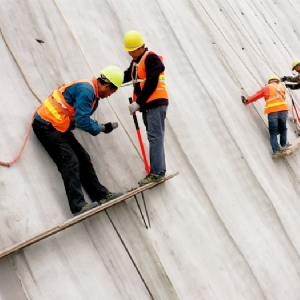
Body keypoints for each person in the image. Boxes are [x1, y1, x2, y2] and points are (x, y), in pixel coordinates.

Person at [32, 66, 124, 216]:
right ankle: (78, 205)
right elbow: (82, 121)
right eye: (112, 92)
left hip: (59, 126)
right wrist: (101, 128)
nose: (110, 95)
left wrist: (95, 126)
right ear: (107, 86)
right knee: (70, 162)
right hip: (46, 126)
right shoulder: (87, 91)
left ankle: (100, 195)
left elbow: (78, 117)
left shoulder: (93, 94)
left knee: (83, 159)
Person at [122, 30, 169, 185]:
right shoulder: (137, 61)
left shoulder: (151, 58)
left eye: (132, 50)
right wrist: (110, 80)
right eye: (129, 51)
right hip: (148, 104)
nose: (130, 54)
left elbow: (151, 82)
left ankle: (156, 172)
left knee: (155, 136)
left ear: (141, 47)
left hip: (155, 102)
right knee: (154, 136)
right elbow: (128, 75)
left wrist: (138, 102)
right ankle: (159, 170)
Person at [242, 74, 291, 159]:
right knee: (283, 128)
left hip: (272, 112)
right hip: (283, 111)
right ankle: (283, 146)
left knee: (273, 132)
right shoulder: (281, 88)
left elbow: (256, 96)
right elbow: (283, 98)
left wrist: (247, 100)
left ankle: (276, 151)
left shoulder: (267, 88)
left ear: (269, 81)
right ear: (277, 81)